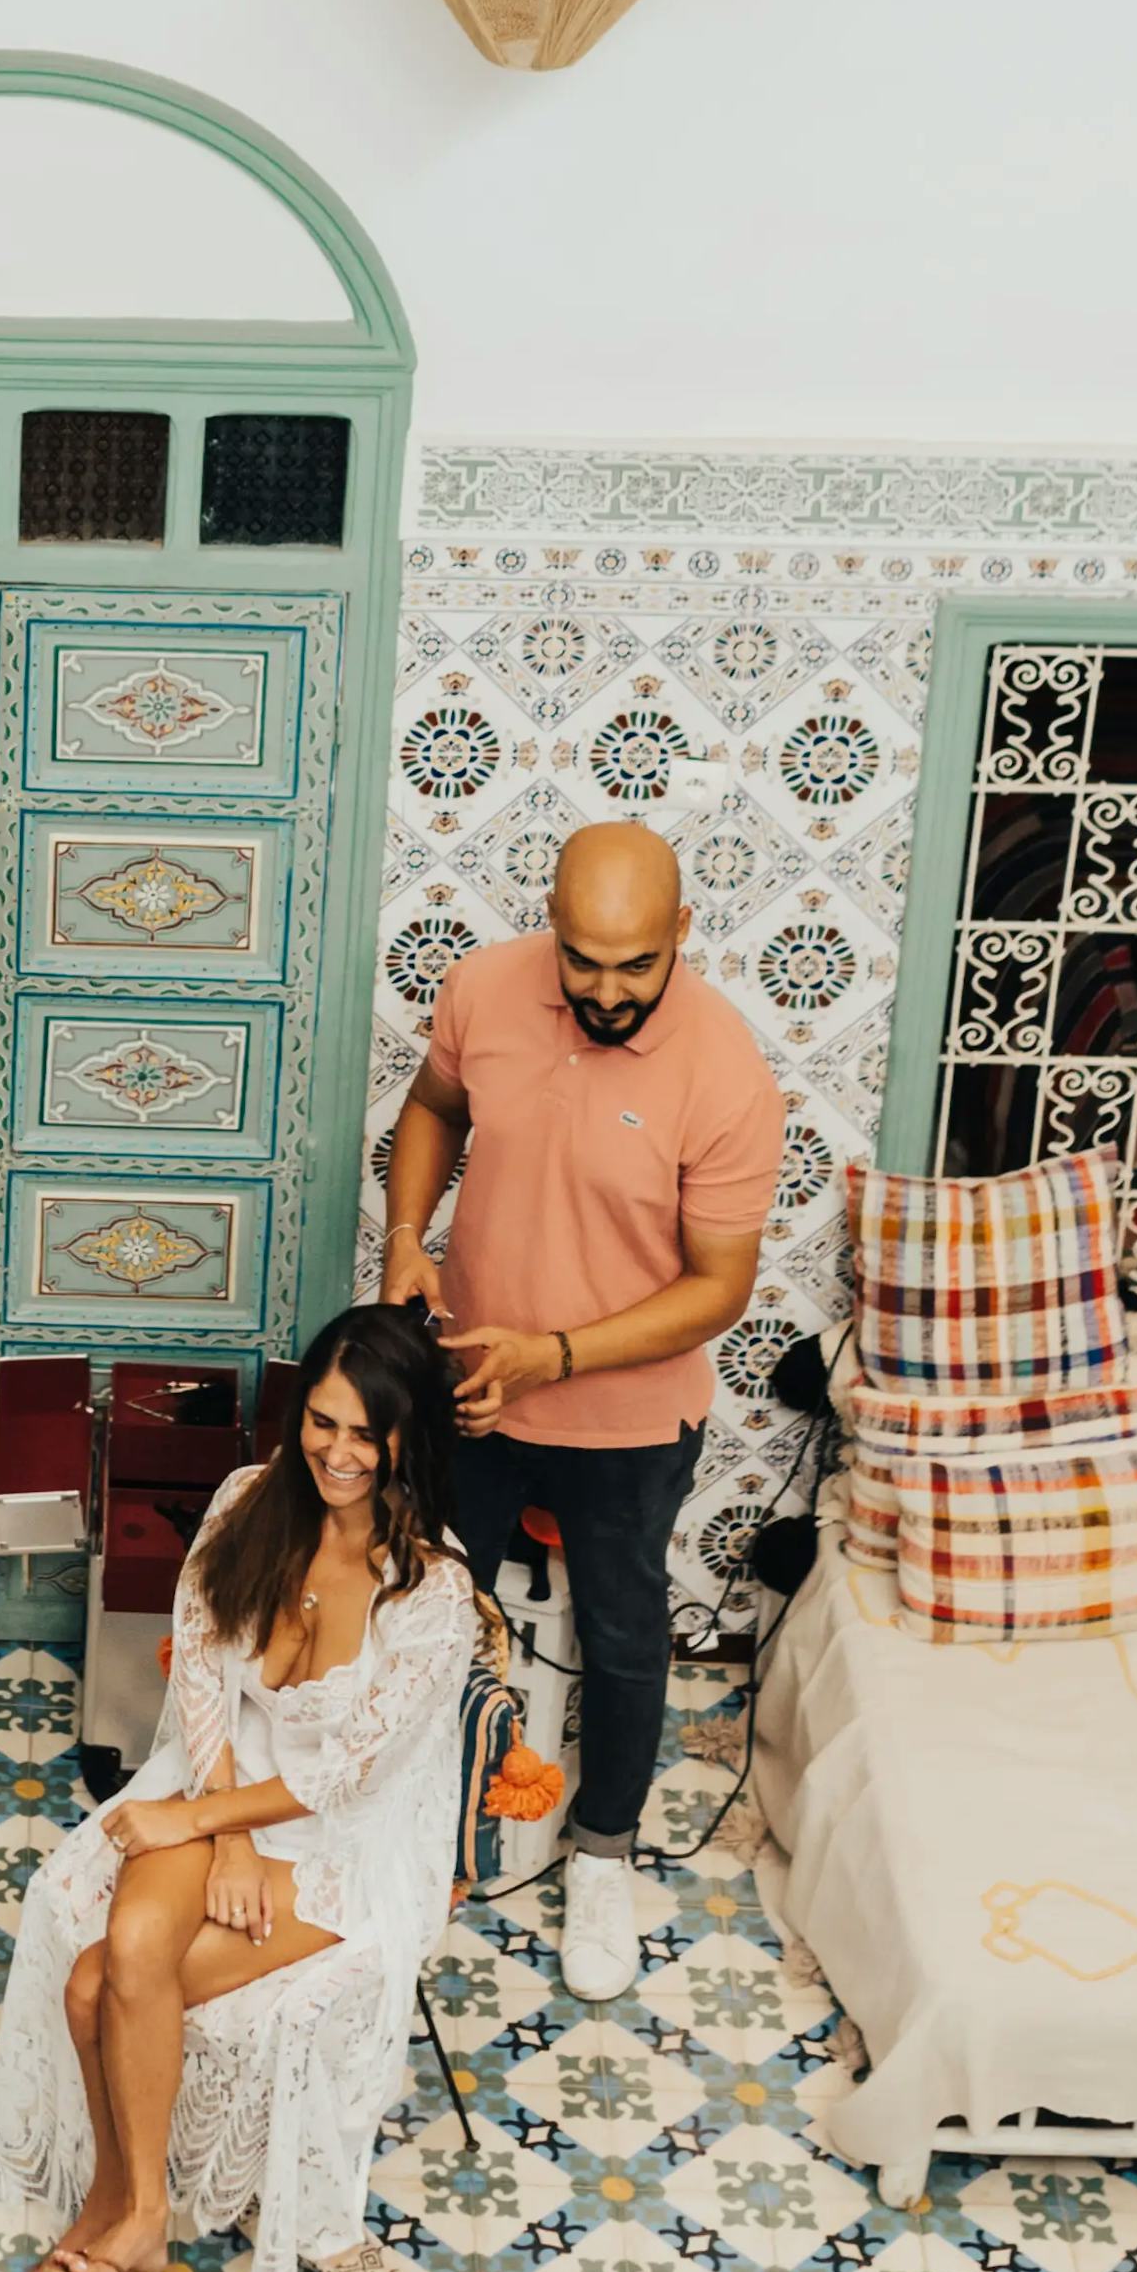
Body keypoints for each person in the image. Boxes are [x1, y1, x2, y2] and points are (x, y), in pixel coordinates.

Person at [0, 1303, 476, 2272]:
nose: (337, 1453)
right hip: (228, 1793)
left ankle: (118, 2211)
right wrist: (221, 1832)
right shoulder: (250, 1499)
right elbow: (203, 1668)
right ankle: (139, 2215)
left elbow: (350, 1776)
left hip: (347, 1845)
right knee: (124, 1948)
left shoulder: (433, 1595)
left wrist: (188, 1824)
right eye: (322, 1423)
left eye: (364, 1433)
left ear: (407, 1437)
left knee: (95, 1988)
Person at [383, 818, 783, 2007]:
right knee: (429, 1616)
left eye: (637, 965)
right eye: (582, 959)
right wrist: (409, 1240)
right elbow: (432, 1110)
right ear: (551, 928)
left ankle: (602, 1853)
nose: (606, 992)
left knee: (621, 1639)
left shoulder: (725, 1075)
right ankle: (413, 1828)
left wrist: (552, 1355)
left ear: (682, 937)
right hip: (470, 1387)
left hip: (628, 1418)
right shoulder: (482, 989)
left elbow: (718, 1289)